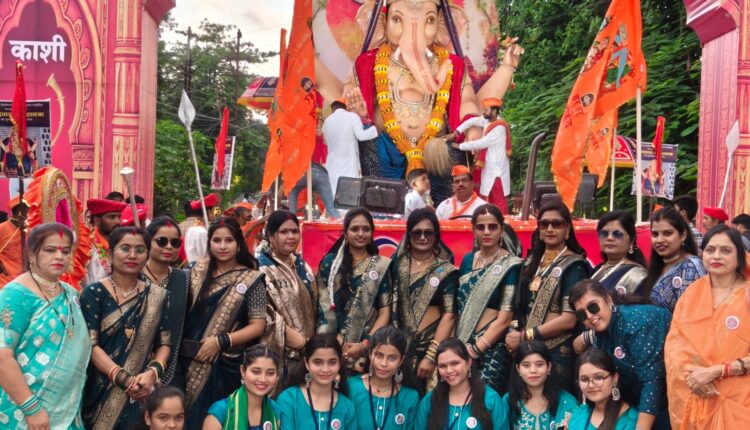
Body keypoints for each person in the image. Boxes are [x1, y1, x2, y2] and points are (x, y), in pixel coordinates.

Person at [174, 217, 267, 423]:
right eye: (216, 240)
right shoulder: (194, 271)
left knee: (220, 419)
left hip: (224, 366)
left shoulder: (251, 279)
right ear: (209, 243)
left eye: (229, 240)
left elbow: (258, 326)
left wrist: (221, 341)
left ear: (238, 244)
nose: (222, 246)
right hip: (185, 362)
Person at [0, 223, 91, 429]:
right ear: (32, 254)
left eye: (65, 251)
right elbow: (2, 356)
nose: (59, 256)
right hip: (23, 411)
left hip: (66, 408)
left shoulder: (70, 293)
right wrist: (31, 409)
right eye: (50, 250)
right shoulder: (15, 295)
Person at [81, 226, 171, 429]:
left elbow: (165, 343)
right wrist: (124, 379)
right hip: (99, 389)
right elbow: (90, 345)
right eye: (125, 248)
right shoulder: (94, 293)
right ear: (110, 254)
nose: (132, 255)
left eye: (140, 250)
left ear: (147, 255)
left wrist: (152, 373)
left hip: (141, 391)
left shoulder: (157, 295)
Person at [665, 225, 750, 428]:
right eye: (710, 250)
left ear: (740, 257)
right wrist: (693, 377)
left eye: (726, 250)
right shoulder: (691, 295)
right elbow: (675, 348)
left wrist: (718, 371)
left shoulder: (746, 295)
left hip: (740, 400)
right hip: (696, 395)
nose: (716, 256)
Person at [506, 200, 589, 389]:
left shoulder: (574, 266)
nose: (550, 229)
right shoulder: (531, 263)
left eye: (557, 224)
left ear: (567, 229)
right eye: (544, 224)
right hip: (525, 351)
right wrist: (513, 333)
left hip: (556, 353)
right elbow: (519, 307)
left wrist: (525, 335)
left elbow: (569, 319)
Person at [570, 280, 671, 429]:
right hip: (639, 406)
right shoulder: (601, 335)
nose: (589, 316)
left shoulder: (639, 321)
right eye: (581, 314)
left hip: (672, 403)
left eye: (593, 307)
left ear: (608, 299)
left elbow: (652, 383)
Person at [389, 208, 459, 391]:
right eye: (416, 233)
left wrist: (431, 356)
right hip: (396, 348)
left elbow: (450, 315)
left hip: (429, 349)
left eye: (428, 233)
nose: (422, 237)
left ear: (436, 236)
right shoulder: (396, 265)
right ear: (408, 234)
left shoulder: (446, 271)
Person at [316, 208, 392, 373]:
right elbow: (322, 307)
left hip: (366, 349)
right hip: (331, 345)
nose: (361, 234)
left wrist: (365, 344)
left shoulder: (381, 266)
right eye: (355, 229)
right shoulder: (330, 264)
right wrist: (337, 341)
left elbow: (385, 312)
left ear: (372, 233)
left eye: (366, 229)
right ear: (345, 233)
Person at [456, 204, 521, 393]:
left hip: (494, 348)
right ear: (473, 229)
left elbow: (505, 318)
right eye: (481, 227)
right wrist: (461, 347)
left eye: (492, 227)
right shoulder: (467, 260)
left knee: (485, 401)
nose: (486, 232)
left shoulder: (511, 265)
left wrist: (476, 349)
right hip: (463, 342)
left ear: (501, 229)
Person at [257, 210, 317, 383]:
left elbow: (318, 306)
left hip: (310, 354)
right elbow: (265, 315)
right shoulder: (259, 268)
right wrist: (302, 344)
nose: (291, 236)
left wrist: (315, 345)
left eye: (294, 231)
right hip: (278, 356)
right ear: (270, 236)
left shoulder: (302, 266)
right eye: (284, 232)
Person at [414, 339, 509, 430]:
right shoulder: (429, 401)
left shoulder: (490, 399)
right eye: (442, 366)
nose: (449, 370)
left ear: (469, 363)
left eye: (455, 363)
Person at [276, 334, 358, 429]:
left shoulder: (347, 406)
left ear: (339, 364)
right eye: (318, 362)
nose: (325, 369)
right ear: (307, 363)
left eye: (332, 362)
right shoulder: (289, 399)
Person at [347, 326, 420, 430]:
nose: (384, 363)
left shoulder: (410, 397)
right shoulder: (351, 388)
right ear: (370, 354)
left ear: (401, 360)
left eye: (392, 358)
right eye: (379, 355)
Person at [145, 216, 190, 385]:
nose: (169, 247)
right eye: (162, 241)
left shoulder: (184, 279)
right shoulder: (133, 276)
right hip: (131, 365)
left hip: (172, 368)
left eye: (175, 242)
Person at [447, 98, 512, 213]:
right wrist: (457, 132)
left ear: (494, 111)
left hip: (497, 171)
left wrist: (460, 146)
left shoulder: (499, 128)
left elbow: (483, 143)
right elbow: (472, 121)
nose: (483, 113)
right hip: (488, 167)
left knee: (499, 201)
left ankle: (501, 222)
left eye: (486, 110)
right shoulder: (487, 121)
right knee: (485, 199)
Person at [203, 345, 282, 430]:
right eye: (256, 372)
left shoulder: (274, 409)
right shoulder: (221, 411)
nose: (263, 379)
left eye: (270, 373)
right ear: (243, 371)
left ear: (277, 376)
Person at [643, 207, 705, 312]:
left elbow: (690, 313)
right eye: (655, 234)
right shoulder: (661, 264)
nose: (659, 240)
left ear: (683, 235)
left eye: (668, 233)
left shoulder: (690, 267)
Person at [504, 341, 578, 429]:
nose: (533, 370)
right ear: (518, 369)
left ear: (549, 367)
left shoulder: (566, 401)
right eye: (526, 365)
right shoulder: (508, 401)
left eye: (539, 364)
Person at [568, 348, 639, 430]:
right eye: (584, 379)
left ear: (615, 378)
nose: (591, 385)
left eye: (598, 378)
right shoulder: (579, 413)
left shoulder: (631, 421)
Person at [322, 99, 378, 197]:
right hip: (349, 166)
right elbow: (361, 136)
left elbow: (326, 142)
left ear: (333, 109)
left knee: (335, 196)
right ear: (345, 107)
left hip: (332, 167)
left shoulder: (327, 121)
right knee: (351, 197)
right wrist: (377, 129)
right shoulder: (352, 117)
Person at [591, 211, 647, 296]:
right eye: (604, 233)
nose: (609, 238)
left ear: (631, 241)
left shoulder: (637, 275)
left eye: (617, 234)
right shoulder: (597, 269)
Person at [85, 198, 127, 286]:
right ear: (97, 221)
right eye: (112, 217)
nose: (117, 221)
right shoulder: (87, 246)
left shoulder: (124, 244)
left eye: (119, 217)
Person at [0, 196, 28, 286]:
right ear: (19, 212)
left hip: (26, 277)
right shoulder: (2, 228)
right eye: (27, 210)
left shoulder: (30, 230)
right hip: (4, 279)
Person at [184, 193, 219, 264]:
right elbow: (206, 256)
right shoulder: (202, 232)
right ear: (208, 212)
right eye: (213, 211)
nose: (214, 214)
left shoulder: (192, 228)